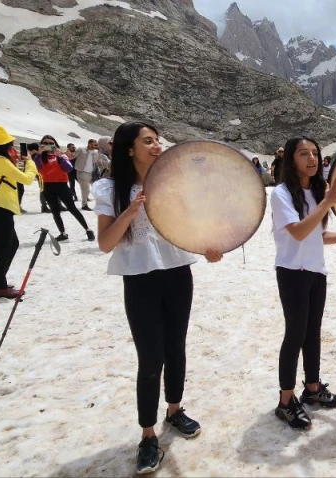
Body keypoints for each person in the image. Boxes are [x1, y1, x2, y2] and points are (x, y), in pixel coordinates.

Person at [94, 121, 223, 474]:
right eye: (148, 141)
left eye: (158, 140)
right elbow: (105, 243)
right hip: (139, 280)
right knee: (150, 360)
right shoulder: (109, 188)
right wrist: (132, 210)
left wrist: (208, 247)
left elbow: (190, 230)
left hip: (178, 273)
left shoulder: (171, 183)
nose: (156, 146)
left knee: (176, 347)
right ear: (129, 149)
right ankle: (148, 435)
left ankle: (175, 409)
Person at [271, 136, 336, 430]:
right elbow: (299, 233)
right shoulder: (281, 194)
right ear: (291, 160)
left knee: (312, 332)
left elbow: (317, 235)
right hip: (292, 272)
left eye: (315, 153)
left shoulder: (316, 193)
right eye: (304, 154)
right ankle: (285, 400)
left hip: (317, 272)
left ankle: (313, 388)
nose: (312, 159)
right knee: (295, 334)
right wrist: (327, 202)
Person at [0, 125, 40, 299]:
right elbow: (26, 179)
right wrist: (30, 162)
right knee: (4, 247)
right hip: (0, 208)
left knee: (8, 244)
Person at [39, 135, 94, 241]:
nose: (49, 146)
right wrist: (39, 154)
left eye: (51, 143)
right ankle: (63, 233)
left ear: (55, 144)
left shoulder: (61, 156)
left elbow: (69, 168)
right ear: (41, 145)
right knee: (55, 211)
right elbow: (37, 167)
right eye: (46, 143)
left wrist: (60, 156)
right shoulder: (40, 157)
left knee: (72, 208)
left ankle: (88, 230)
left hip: (62, 185)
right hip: (47, 186)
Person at [75, 139, 99, 210]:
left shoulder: (95, 153)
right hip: (82, 173)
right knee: (86, 190)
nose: (96, 146)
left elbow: (96, 162)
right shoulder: (81, 150)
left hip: (91, 174)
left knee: (96, 188)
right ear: (90, 144)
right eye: (95, 144)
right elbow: (72, 156)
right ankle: (84, 205)